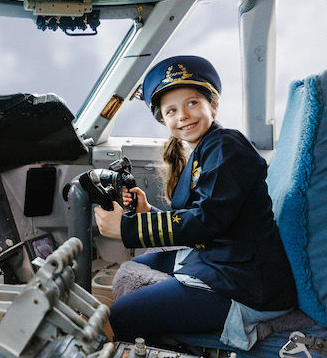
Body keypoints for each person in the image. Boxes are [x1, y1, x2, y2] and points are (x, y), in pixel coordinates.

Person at [94, 55, 297, 347]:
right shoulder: (205, 150)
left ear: (212, 106)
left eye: (192, 103)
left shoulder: (227, 145)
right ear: (163, 119)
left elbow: (206, 221)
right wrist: (147, 212)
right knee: (138, 267)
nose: (183, 115)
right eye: (171, 110)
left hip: (246, 283)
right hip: (222, 259)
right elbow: (200, 213)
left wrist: (128, 229)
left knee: (122, 315)